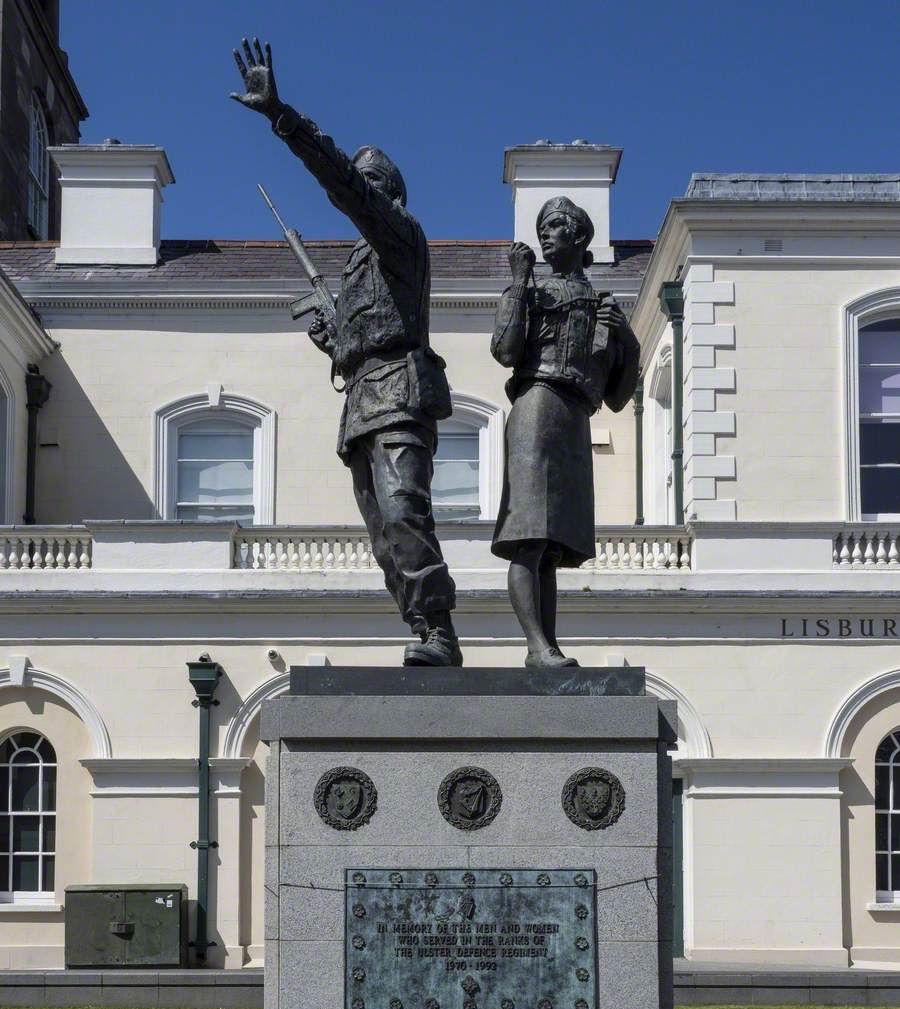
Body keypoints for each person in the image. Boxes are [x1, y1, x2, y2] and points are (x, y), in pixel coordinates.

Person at [231, 38, 461, 666]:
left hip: (398, 391)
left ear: (387, 195)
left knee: (404, 515)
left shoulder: (401, 239)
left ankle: (440, 631)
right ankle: (423, 631)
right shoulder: (361, 267)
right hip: (362, 399)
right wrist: (335, 339)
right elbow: (361, 337)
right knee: (384, 538)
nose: (358, 191)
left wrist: (286, 120)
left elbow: (344, 189)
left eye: (368, 184)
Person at [490, 196, 639, 667]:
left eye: (556, 226)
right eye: (543, 227)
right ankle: (537, 645)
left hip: (575, 417)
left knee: (551, 549)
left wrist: (629, 342)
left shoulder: (604, 307)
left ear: (579, 236)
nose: (545, 235)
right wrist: (518, 283)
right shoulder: (530, 291)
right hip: (537, 405)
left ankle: (545, 648)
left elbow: (616, 398)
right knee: (528, 537)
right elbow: (506, 351)